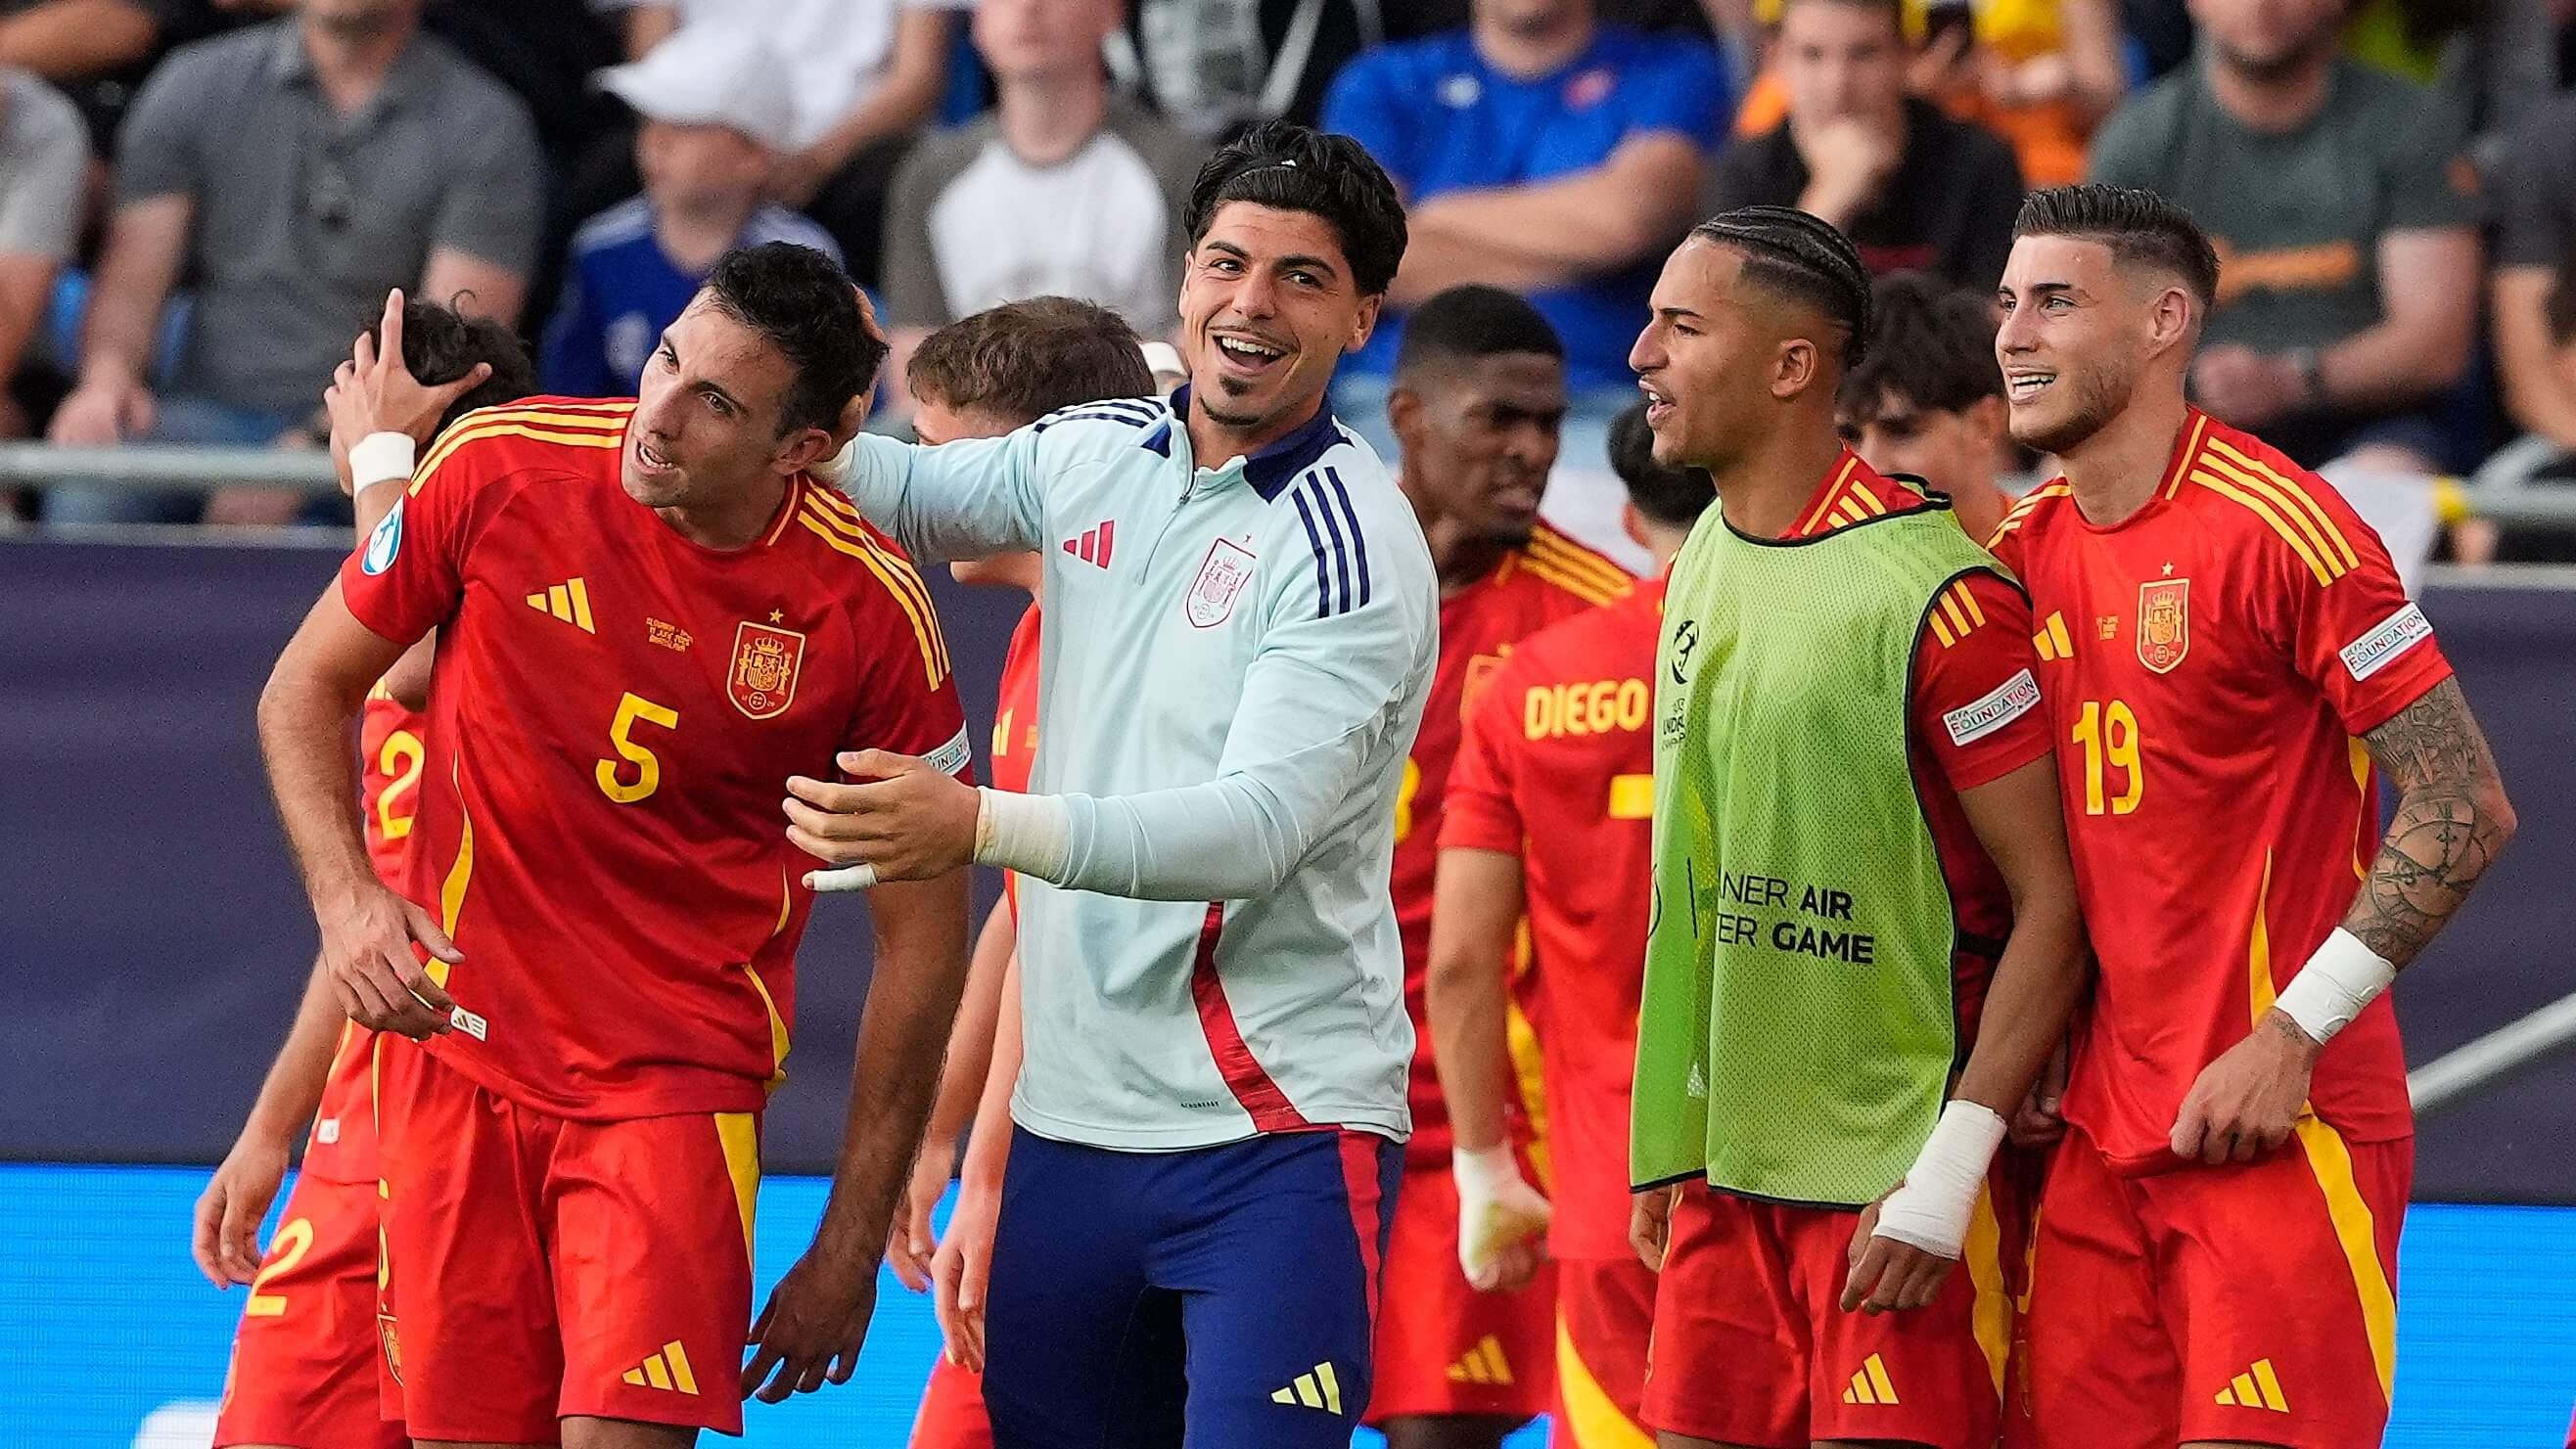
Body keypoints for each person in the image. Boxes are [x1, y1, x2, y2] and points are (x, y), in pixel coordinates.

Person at [253, 242, 978, 1446]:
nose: (660, 415)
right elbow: (302, 688)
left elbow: (924, 939)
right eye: (669, 360)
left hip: (671, 1090)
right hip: (455, 1065)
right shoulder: (503, 462)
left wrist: (847, 1238)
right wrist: (348, 899)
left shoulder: (868, 615)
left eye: (717, 404)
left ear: (803, 448)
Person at [786, 120, 1434, 1446]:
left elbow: (1254, 831)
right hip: (1072, 1137)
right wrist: (759, 398)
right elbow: (905, 490)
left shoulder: (1354, 547)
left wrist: (972, 822)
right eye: (1226, 263)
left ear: (1364, 315)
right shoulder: (1099, 452)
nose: (1250, 306)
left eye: (1301, 279)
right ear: (1183, 278)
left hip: (1275, 1135)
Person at [1990, 182, 2516, 1447]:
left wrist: (2293, 1034)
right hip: (2094, 1140)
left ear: (2166, 319)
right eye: (2007, 300)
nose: (2014, 332)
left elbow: (2463, 802)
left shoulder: (2287, 525)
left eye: (2057, 301)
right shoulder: (2018, 549)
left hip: (2280, 1127)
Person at [1627, 205, 2086, 1449]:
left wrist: (1946, 1177)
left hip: (1896, 1179)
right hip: (1730, 1170)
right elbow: (1700, 876)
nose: (1638, 356)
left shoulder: (1940, 595)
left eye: (1680, 324)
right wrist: (1671, 1129)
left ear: (1791, 367)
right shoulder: (1704, 555)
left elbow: (2052, 903)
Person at [194, 293, 534, 1449]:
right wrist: (272, 1124)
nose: (336, 419)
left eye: (354, 395)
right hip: (363, 1137)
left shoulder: (515, 598)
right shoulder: (381, 610)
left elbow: (418, 664)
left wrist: (384, 462)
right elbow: (367, 919)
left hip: (499, 1127)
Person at [869, 296, 1159, 1449]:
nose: (918, 493)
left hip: (1137, 1146)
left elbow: (1076, 928)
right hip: (1066, 1142)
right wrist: (933, 1135)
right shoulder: (1046, 626)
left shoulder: (1125, 641)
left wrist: (986, 1178)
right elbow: (1022, 913)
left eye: (938, 456)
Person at [1355, 283, 1631, 1449]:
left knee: (1436, 1435)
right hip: (1290, 1106)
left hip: (1473, 1120)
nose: (1529, 450)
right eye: (1497, 420)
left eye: (1548, 422)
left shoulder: (1600, 626)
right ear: (1408, 415)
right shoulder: (1309, 581)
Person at [1426, 398, 1711, 1447]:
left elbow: (1461, 962)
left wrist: (1484, 1169)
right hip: (1804, 1184)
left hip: (1606, 1195)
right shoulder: (1828, 652)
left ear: (1630, 521)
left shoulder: (1536, 681)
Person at [42, 0, 541, 525]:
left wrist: (315, 443)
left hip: (384, 433)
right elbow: (131, 280)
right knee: (88, 486)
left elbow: (450, 346)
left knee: (401, 519)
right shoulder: (193, 83)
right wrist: (107, 380)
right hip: (197, 415)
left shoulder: (487, 124)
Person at [2087, 0, 2483, 484]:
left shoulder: (2410, 124)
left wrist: (2290, 381)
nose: (2260, 4)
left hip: (2373, 427)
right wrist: (2192, 383)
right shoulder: (2138, 140)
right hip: (2179, 421)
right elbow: (2097, 330)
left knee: (2385, 486)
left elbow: (2435, 344)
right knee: (2077, 483)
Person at [1322, 0, 1725, 406]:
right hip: (1392, 398)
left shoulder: (1674, 68)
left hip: (1593, 404)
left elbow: (1629, 219)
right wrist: (1583, 252)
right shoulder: (1379, 82)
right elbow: (1362, 260)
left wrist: (1433, 216)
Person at [878, 0, 1202, 407]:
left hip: (1129, 434)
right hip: (975, 444)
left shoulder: (1180, 168)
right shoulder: (927, 177)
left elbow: (1190, 345)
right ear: (976, 19)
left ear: (1111, 12)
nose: (1027, 9)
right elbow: (912, 368)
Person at [541, 23, 843, 396]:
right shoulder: (599, 248)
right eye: (648, 120)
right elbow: (568, 395)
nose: (656, 140)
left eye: (684, 125)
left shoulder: (803, 260)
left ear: (755, 154)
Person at [598, 0, 971, 287]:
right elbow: (650, 46)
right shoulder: (597, 247)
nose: (655, 145)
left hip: (858, 157)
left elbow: (917, 78)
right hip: (706, 127)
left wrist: (818, 160)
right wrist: (678, 125)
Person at [1707, 0, 2024, 288]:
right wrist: (1827, 203)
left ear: (1905, 56)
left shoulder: (1980, 163)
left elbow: (1996, 323)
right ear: (1776, 58)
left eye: (1864, 54)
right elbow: (1737, 328)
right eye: (1812, 54)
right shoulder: (1743, 173)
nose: (1838, 84)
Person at [1837, 269, 2014, 542]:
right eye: (1849, 435)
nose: (1870, 464)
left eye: (1902, 432)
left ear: (1985, 424)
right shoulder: (1807, 570)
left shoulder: (2054, 561)